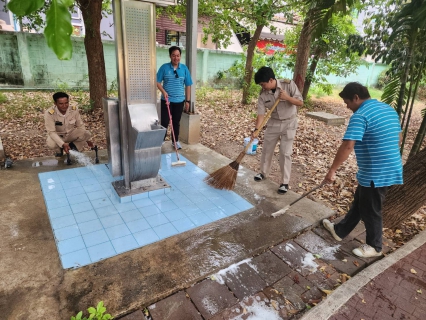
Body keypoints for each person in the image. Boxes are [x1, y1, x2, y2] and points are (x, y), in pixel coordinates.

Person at [322, 82, 403, 258]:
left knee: (371, 209)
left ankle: (375, 246)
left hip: (376, 172)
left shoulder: (361, 115)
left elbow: (348, 145)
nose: (347, 106)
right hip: (391, 167)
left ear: (356, 98)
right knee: (361, 201)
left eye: (347, 102)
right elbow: (398, 137)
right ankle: (339, 230)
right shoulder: (388, 109)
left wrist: (332, 170)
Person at [251, 66, 303, 194]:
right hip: (273, 122)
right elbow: (261, 114)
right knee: (267, 149)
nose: (262, 87)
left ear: (270, 80)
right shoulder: (263, 94)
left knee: (285, 153)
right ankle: (263, 173)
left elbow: (300, 103)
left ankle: (284, 182)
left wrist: (287, 98)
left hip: (289, 122)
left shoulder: (288, 85)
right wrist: (257, 129)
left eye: (263, 84)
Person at [156, 46, 193, 150]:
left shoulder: (184, 69)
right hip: (166, 101)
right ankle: (161, 140)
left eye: (178, 55)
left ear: (180, 56)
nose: (176, 58)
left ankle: (175, 141)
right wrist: (164, 92)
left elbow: (188, 85)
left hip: (179, 101)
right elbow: (157, 82)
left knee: (176, 122)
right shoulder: (164, 67)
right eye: (173, 55)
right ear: (170, 56)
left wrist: (187, 101)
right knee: (164, 121)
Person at [44, 92, 94, 156]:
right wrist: (62, 144)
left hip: (70, 134)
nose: (64, 106)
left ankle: (74, 147)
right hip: (59, 135)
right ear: (55, 104)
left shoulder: (74, 110)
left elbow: (80, 126)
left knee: (87, 134)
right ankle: (59, 150)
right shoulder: (49, 113)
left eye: (66, 103)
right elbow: (51, 132)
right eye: (61, 104)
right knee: (51, 144)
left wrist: (85, 139)